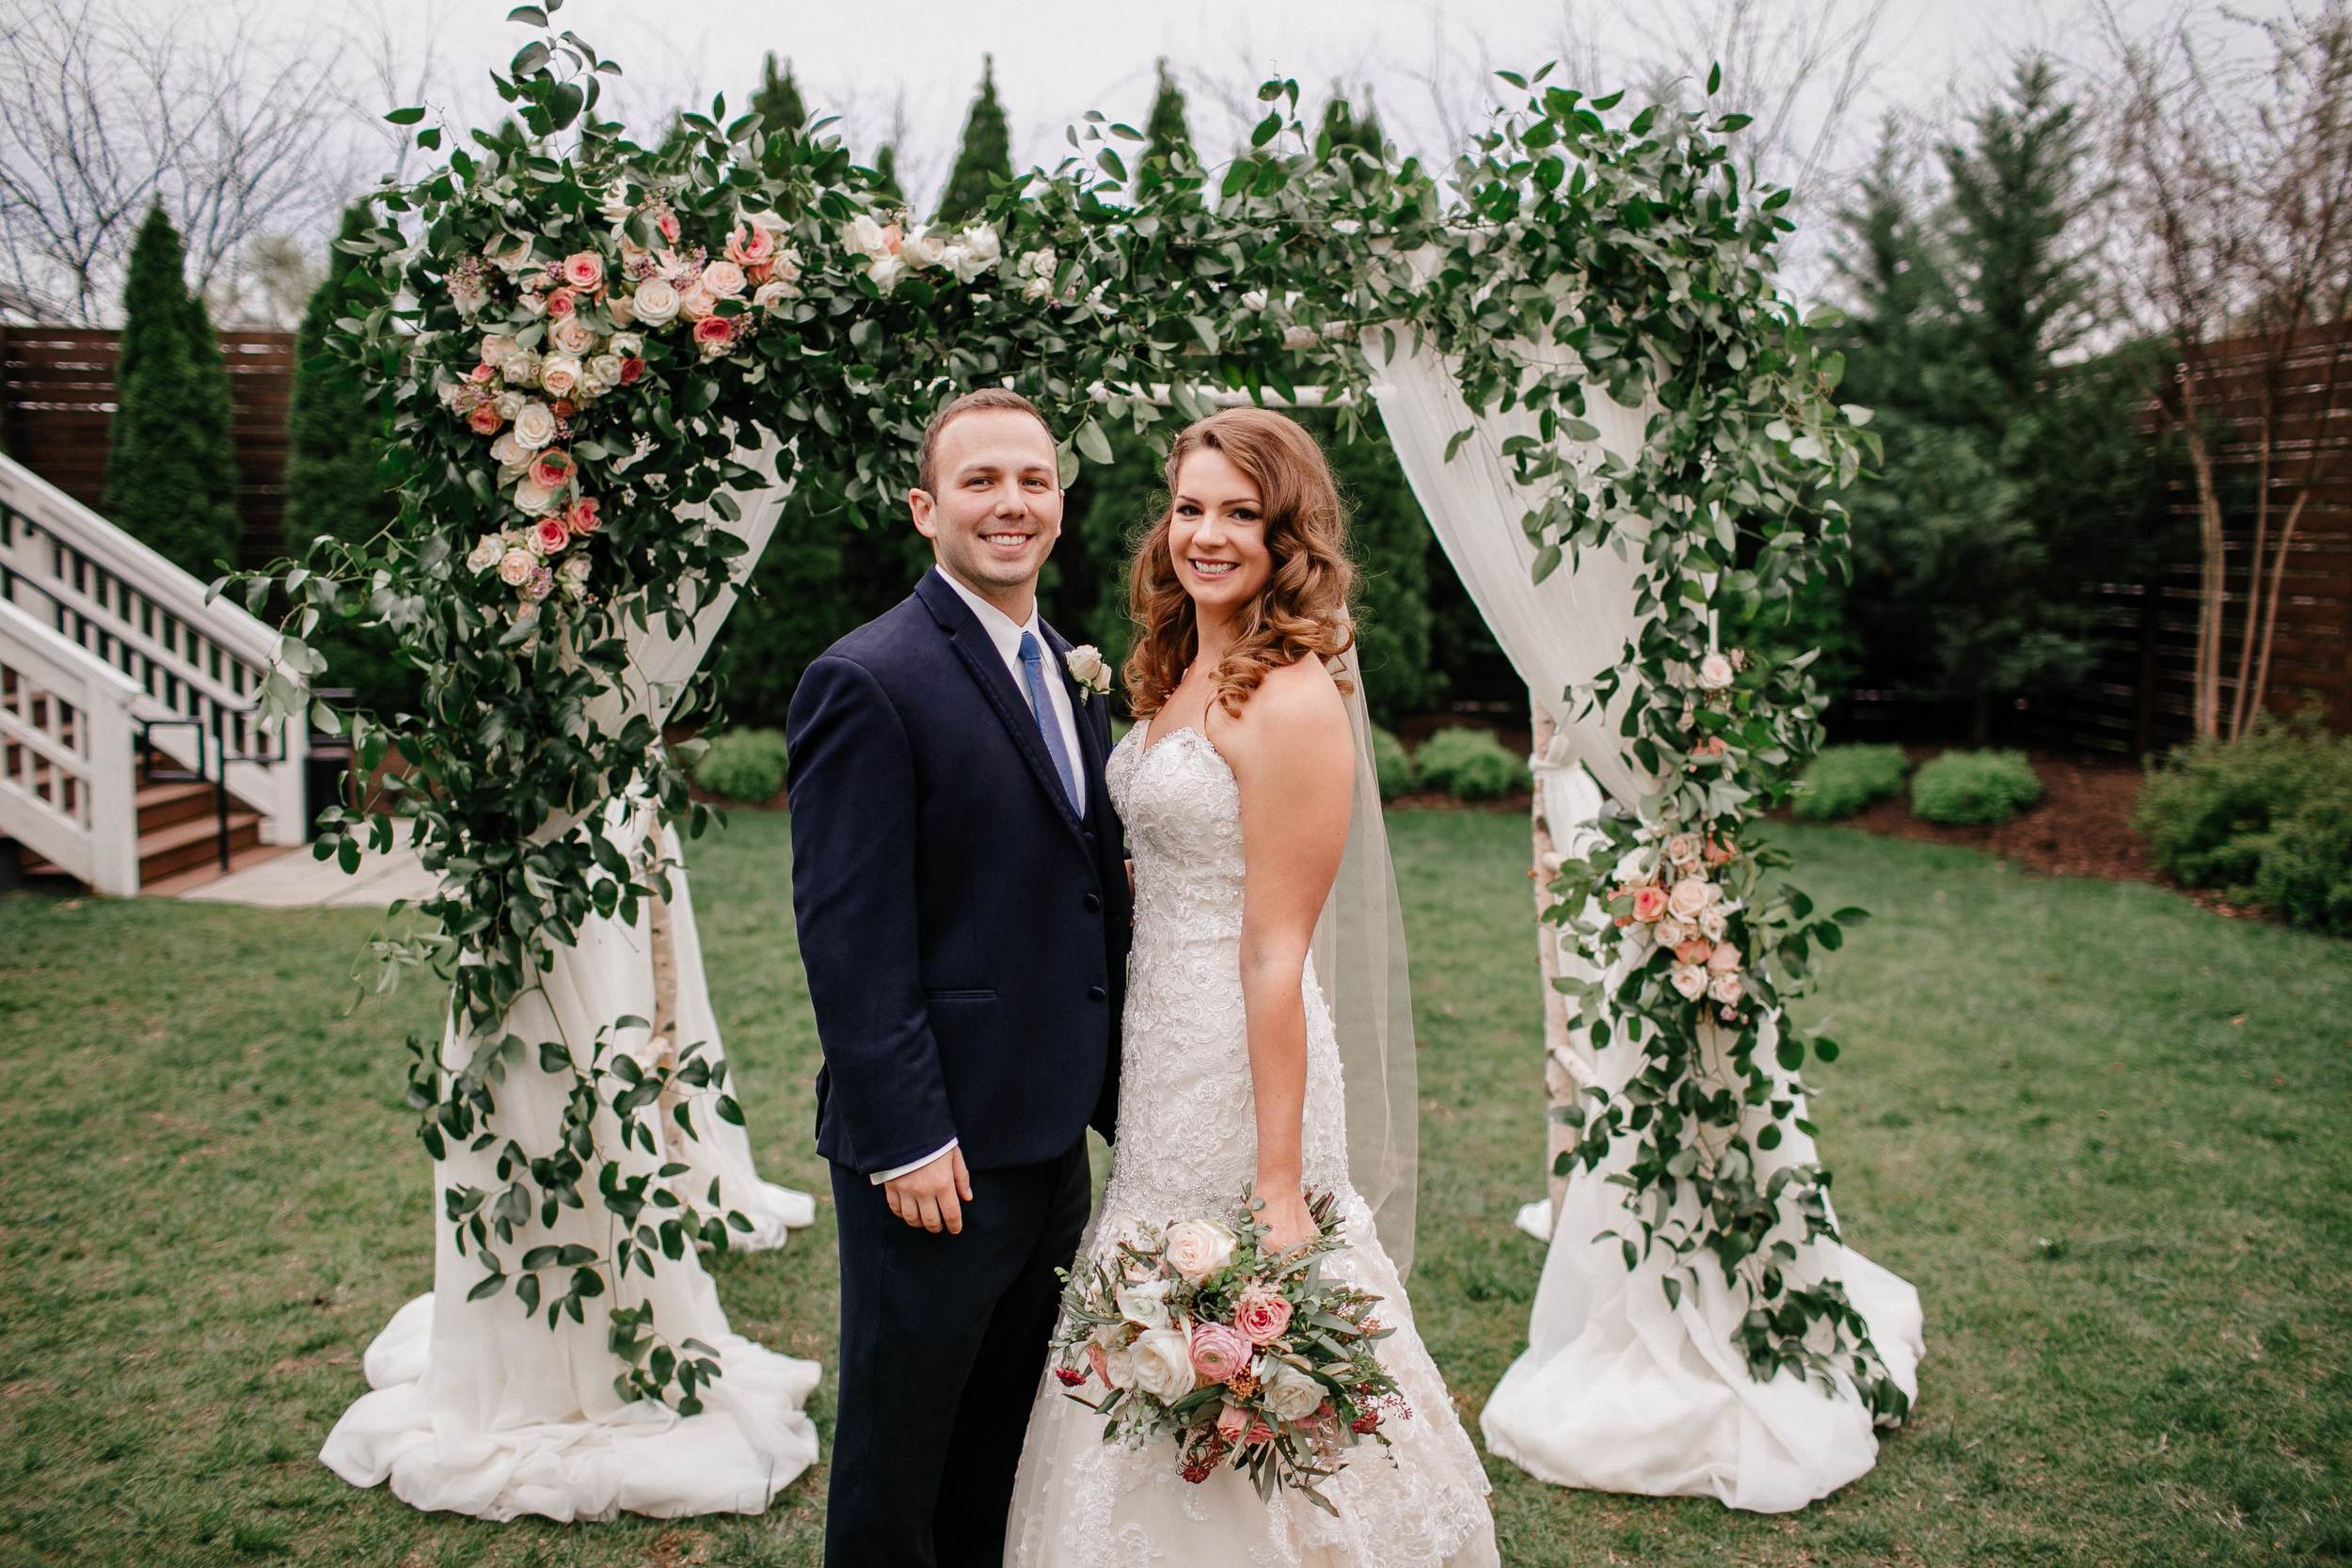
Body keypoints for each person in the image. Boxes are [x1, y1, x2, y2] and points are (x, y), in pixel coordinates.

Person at [1002, 407, 1499, 1566]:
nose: (1208, 534)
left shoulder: (1291, 697)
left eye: (1241, 513)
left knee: (1250, 1325)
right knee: (1151, 1320)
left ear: (1288, 537)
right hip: (1162, 1054)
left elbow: (1279, 949)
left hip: (1245, 1054)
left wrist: (1279, 1179)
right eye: (1190, 508)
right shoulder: (1175, 672)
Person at [786, 388, 1132, 1568]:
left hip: (1049, 1144)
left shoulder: (1066, 665)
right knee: (901, 1462)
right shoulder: (868, 678)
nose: (1011, 502)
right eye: (981, 481)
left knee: (1009, 1448)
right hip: (934, 1157)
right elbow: (848, 933)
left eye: (1033, 480)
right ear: (926, 507)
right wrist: (905, 1136)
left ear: (1059, 503)